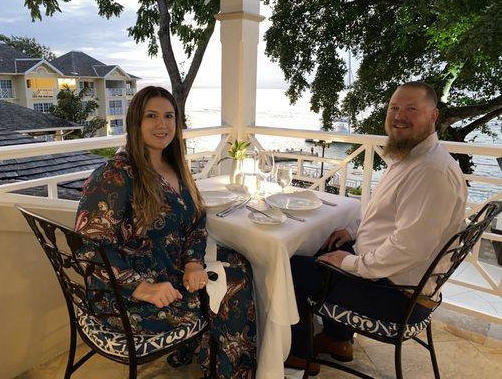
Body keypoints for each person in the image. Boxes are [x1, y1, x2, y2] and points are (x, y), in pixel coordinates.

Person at [286, 82, 468, 375]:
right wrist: (353, 235)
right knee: (326, 247)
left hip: (399, 297)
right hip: (396, 279)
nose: (399, 116)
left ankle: (298, 356)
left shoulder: (431, 172)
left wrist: (351, 261)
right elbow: (392, 221)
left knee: (292, 268)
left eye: (411, 109)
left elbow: (409, 247)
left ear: (434, 116)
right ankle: (337, 340)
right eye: (394, 108)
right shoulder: (414, 158)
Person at [74, 86, 257, 378]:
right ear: (136, 122)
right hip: (124, 298)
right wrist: (142, 288)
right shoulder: (115, 175)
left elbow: (196, 221)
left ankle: (203, 354)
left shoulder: (176, 168)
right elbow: (89, 249)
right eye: (152, 116)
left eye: (169, 116)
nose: (162, 124)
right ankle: (227, 371)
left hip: (169, 273)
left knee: (239, 264)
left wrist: (193, 262)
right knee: (232, 290)